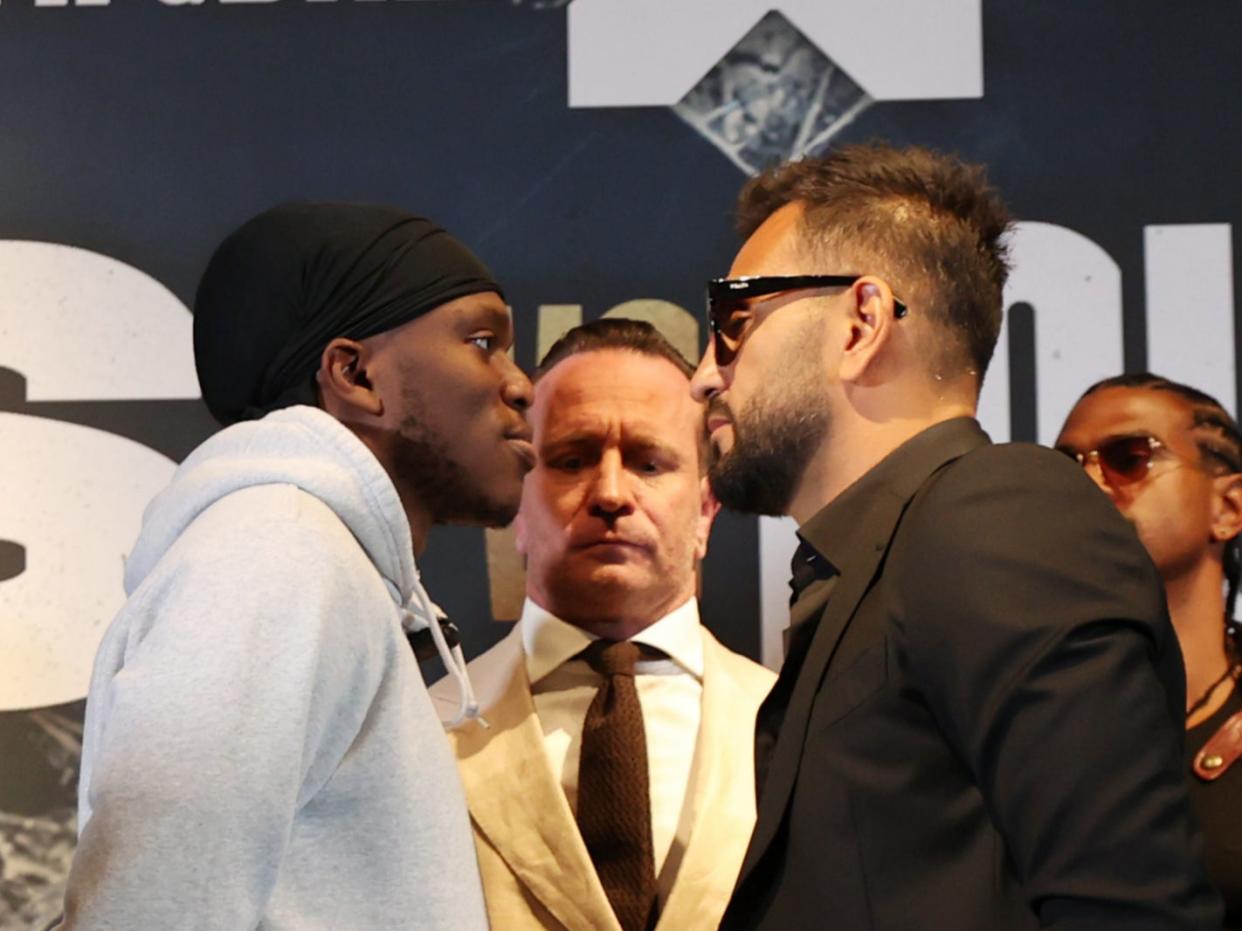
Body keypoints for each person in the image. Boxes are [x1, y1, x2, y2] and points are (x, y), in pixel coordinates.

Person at [688, 143, 1222, 929]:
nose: (704, 372)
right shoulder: (881, 563)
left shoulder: (998, 514)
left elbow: (1129, 907)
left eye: (735, 319)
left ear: (862, 323)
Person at [59, 202, 534, 929]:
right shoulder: (275, 549)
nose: (520, 382)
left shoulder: (316, 554)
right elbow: (152, 910)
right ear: (354, 374)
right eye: (481, 341)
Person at [431, 318, 775, 931]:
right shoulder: (423, 732)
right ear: (517, 503)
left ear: (704, 510)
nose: (611, 493)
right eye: (572, 459)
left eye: (648, 462)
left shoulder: (795, 723)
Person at [1058, 373, 1242, 926]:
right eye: (1065, 467)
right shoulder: (1017, 709)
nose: (1088, 482)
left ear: (1229, 507)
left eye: (1129, 456)